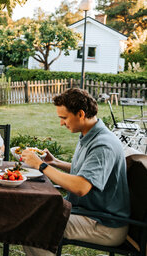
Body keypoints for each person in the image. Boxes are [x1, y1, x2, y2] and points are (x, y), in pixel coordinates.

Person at [21, 88, 130, 256]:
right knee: (34, 212)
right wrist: (54, 162)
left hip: (104, 224)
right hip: (89, 213)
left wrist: (41, 166)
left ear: (80, 114)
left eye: (64, 118)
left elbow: (81, 186)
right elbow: (87, 171)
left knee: (36, 227)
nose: (61, 123)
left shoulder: (103, 144)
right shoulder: (90, 134)